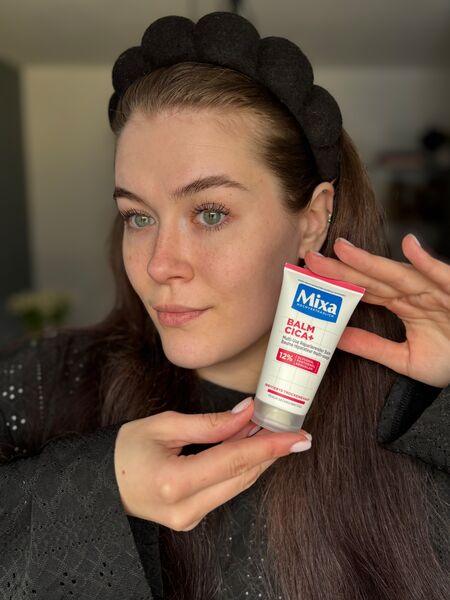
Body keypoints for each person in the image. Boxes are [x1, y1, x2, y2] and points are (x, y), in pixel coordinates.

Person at [0, 11, 448, 600]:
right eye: (138, 216)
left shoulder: (415, 415)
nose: (160, 264)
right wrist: (99, 486)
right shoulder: (43, 384)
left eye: (210, 213)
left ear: (312, 220)